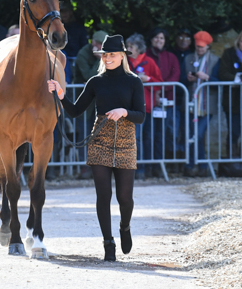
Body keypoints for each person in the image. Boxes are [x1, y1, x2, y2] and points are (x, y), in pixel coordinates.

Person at [47, 34, 145, 262]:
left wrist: (124, 112)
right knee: (103, 195)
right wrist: (61, 95)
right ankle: (108, 242)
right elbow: (74, 110)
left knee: (125, 197)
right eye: (105, 55)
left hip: (125, 141)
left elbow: (141, 116)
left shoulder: (134, 81)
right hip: (99, 140)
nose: (108, 58)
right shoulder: (96, 82)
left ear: (122, 56)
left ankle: (125, 226)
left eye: (112, 55)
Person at [71, 30, 108, 178]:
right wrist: (100, 60)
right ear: (93, 43)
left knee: (101, 134)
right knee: (85, 134)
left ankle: (100, 167)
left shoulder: (109, 54)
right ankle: (84, 168)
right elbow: (89, 76)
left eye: (102, 45)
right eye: (98, 45)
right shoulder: (83, 54)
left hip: (101, 101)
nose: (100, 48)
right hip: (84, 100)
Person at [182, 31, 220, 177]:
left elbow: (218, 81)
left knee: (197, 134)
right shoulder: (188, 58)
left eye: (203, 47)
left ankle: (198, 164)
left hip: (206, 105)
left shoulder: (215, 60)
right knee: (192, 134)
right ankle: (194, 165)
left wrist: (207, 78)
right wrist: (188, 78)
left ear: (208, 47)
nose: (200, 49)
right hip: (191, 103)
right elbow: (181, 79)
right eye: (198, 47)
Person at [126, 33, 163, 179]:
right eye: (127, 46)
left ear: (139, 49)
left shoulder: (149, 62)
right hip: (128, 106)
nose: (128, 49)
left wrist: (147, 79)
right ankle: (137, 169)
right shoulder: (123, 62)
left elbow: (160, 82)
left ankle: (145, 168)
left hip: (146, 106)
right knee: (135, 138)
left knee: (146, 137)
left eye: (131, 47)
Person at [146, 28, 181, 162]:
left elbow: (175, 75)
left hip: (167, 101)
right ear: (151, 39)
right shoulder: (146, 56)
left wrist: (161, 88)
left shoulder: (171, 57)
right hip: (149, 101)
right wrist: (155, 89)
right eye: (156, 37)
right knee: (148, 134)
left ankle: (160, 165)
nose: (158, 40)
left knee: (164, 134)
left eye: (161, 38)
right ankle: (147, 164)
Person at [217, 31, 242, 177]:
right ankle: (233, 163)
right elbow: (223, 74)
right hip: (233, 101)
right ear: (238, 41)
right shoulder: (228, 54)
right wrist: (237, 78)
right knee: (234, 131)